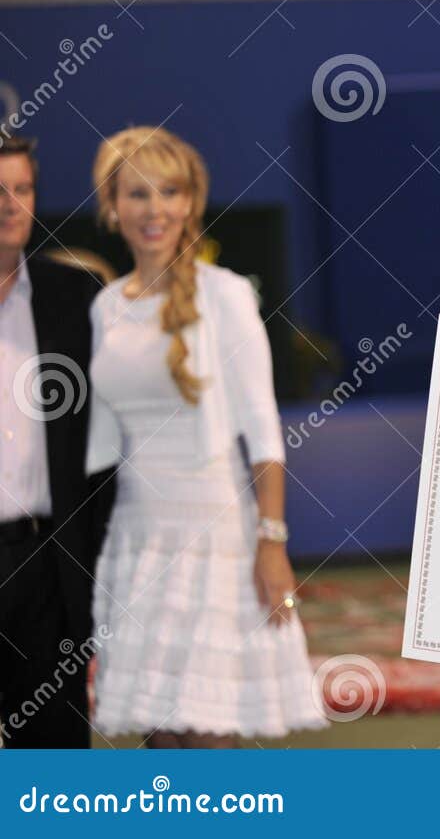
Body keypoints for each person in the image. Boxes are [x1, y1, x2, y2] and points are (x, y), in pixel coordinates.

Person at [85, 127, 326, 746]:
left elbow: (263, 430)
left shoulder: (228, 296)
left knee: (207, 735)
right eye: (137, 193)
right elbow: (99, 446)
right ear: (112, 207)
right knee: (161, 738)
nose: (155, 208)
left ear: (191, 202)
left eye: (170, 191)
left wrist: (271, 542)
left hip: (218, 541)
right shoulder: (106, 305)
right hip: (136, 544)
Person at [0, 137, 112, 747]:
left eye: (23, 189)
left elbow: (108, 450)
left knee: (52, 767)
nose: (10, 205)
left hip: (49, 569)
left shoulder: (74, 300)